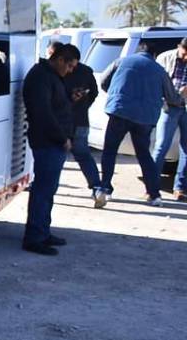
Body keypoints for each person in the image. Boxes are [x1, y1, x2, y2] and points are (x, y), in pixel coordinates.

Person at [99, 43, 183, 206]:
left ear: (139, 51)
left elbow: (103, 82)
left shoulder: (121, 61)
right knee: (144, 155)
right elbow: (172, 98)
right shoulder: (159, 70)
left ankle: (105, 189)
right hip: (145, 117)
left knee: (110, 151)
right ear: (153, 55)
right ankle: (154, 194)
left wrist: (117, 95)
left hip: (119, 112)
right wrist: (180, 100)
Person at [21, 43, 77, 255]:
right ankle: (35, 236)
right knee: (43, 191)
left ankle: (43, 231)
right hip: (48, 142)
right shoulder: (41, 77)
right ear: (60, 60)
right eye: (70, 66)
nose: (70, 71)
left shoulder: (50, 76)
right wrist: (62, 138)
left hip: (52, 141)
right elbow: (43, 113)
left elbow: (54, 106)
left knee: (48, 190)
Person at [58, 44, 105, 206]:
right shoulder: (86, 71)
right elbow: (94, 92)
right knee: (84, 156)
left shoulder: (59, 72)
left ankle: (48, 187)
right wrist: (83, 105)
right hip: (81, 120)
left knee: (57, 157)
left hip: (62, 122)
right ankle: (97, 188)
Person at [153, 38, 187, 200]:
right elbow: (156, 83)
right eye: (185, 54)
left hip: (185, 107)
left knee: (186, 149)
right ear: (179, 47)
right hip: (169, 106)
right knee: (161, 146)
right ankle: (152, 186)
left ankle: (179, 187)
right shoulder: (165, 58)